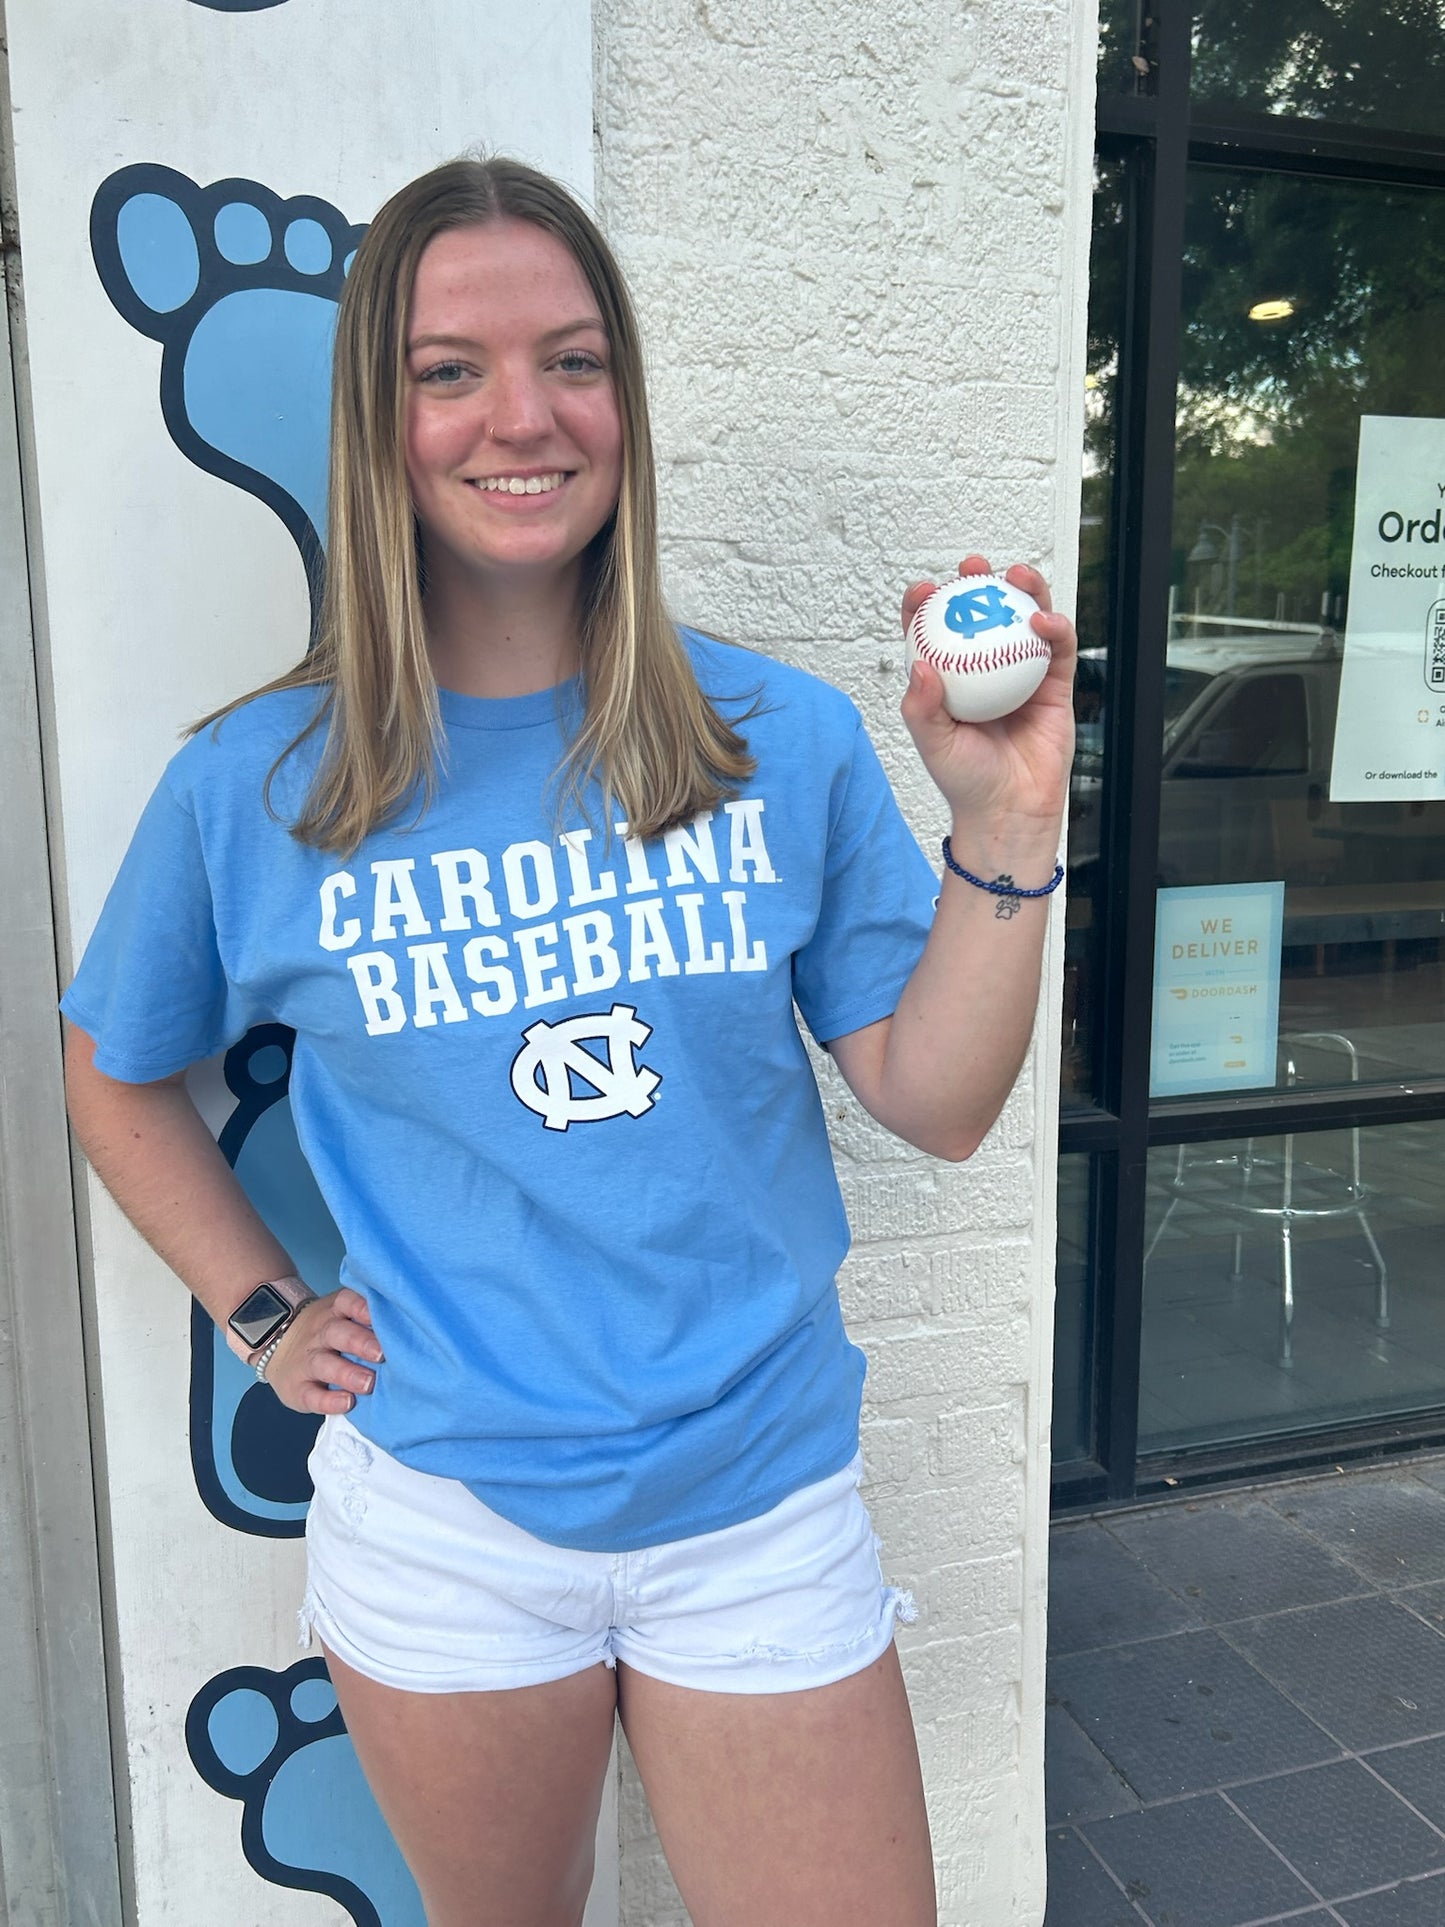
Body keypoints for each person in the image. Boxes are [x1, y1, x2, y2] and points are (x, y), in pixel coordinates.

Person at [62, 156, 1075, 1927]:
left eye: (573, 361)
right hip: (448, 1527)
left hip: (757, 1504)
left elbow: (937, 1102)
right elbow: (111, 1063)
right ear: (377, 421)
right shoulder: (258, 785)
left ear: (626, 402)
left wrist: (1006, 820)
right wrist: (266, 1315)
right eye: (448, 370)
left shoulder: (778, 739)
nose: (520, 417)